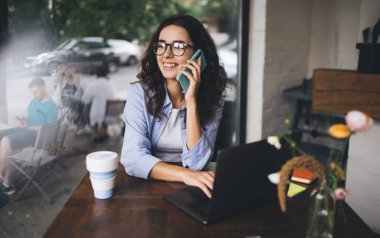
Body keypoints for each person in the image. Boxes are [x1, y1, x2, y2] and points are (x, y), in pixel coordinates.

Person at [120, 14, 227, 198]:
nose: (166, 54)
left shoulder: (213, 98)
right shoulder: (139, 94)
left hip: (193, 186)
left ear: (198, 55)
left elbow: (197, 164)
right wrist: (186, 176)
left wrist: (191, 101)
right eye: (161, 45)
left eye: (178, 46)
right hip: (149, 184)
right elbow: (132, 158)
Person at [0, 77, 59, 195]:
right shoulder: (33, 101)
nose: (34, 94)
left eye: (36, 91)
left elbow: (47, 130)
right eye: (32, 92)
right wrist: (22, 119)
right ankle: (5, 178)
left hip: (35, 135)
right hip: (26, 129)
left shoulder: (51, 106)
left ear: (43, 87)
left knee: (6, 141)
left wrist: (28, 127)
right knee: (3, 137)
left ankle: (6, 182)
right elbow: (26, 115)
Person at [82, 67, 116, 141]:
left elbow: (85, 99)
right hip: (112, 109)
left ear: (96, 75)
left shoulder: (94, 84)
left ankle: (100, 134)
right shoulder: (109, 82)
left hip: (101, 111)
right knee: (99, 110)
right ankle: (105, 132)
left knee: (87, 112)